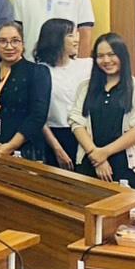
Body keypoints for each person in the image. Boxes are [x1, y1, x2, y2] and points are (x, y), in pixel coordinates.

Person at [69, 32, 135, 190]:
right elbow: (76, 122)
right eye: (100, 56)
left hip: (127, 166)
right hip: (89, 163)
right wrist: (96, 156)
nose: (106, 60)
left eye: (111, 54)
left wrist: (104, 153)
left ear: (122, 55)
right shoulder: (85, 87)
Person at [0, 22, 51, 161]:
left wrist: (10, 146)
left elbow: (38, 115)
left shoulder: (37, 72)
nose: (9, 47)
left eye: (15, 41)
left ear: (23, 44)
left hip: (25, 149)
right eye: (3, 41)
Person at [34, 17, 92, 169]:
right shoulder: (40, 71)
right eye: (71, 35)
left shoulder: (87, 66)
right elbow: (37, 114)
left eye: (76, 34)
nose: (77, 40)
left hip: (86, 134)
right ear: (56, 38)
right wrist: (57, 148)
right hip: (54, 136)